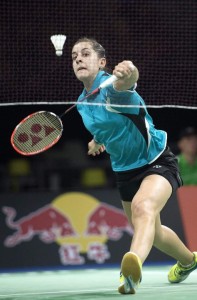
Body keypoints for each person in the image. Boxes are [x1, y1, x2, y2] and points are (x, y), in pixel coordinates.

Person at [71, 37, 197, 294]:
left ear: (102, 62)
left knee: (144, 207)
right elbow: (106, 124)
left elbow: (127, 81)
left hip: (156, 161)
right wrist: (97, 141)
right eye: (74, 57)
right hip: (124, 171)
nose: (79, 59)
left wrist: (129, 70)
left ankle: (130, 269)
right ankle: (189, 261)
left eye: (85, 54)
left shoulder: (112, 87)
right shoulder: (83, 102)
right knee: (153, 230)